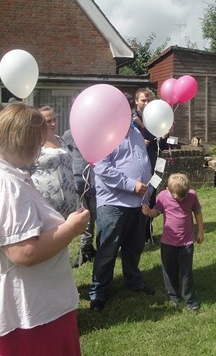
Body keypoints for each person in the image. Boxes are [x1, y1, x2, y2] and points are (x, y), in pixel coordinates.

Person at [0, 102, 90, 355]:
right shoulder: (0, 183)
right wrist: (71, 228)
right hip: (21, 322)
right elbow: (24, 252)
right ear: (21, 141)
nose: (38, 151)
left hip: (12, 312)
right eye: (36, 144)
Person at [88, 94, 154, 312]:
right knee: (107, 250)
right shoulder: (104, 135)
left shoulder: (135, 131)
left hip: (139, 203)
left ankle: (133, 282)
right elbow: (102, 168)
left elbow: (143, 162)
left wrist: (148, 187)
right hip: (114, 203)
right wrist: (130, 185)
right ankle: (99, 292)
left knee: (134, 248)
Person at [142, 173, 204, 311]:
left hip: (186, 243)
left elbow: (198, 212)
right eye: (178, 197)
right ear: (168, 189)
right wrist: (148, 211)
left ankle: (190, 301)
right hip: (168, 243)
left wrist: (200, 231)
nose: (181, 200)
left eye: (184, 197)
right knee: (169, 271)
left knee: (186, 272)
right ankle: (174, 297)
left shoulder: (192, 195)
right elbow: (156, 212)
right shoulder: (163, 196)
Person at [132, 88, 168, 243]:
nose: (146, 103)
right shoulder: (131, 120)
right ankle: (137, 232)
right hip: (137, 166)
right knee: (139, 197)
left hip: (153, 163)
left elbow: (162, 145)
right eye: (143, 100)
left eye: (148, 100)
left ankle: (147, 230)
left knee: (152, 195)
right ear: (136, 101)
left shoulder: (155, 117)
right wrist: (140, 141)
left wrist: (164, 137)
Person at [31, 106, 79, 219]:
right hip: (47, 206)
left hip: (69, 204)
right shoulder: (34, 144)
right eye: (48, 121)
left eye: (54, 119)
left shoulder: (61, 140)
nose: (53, 124)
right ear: (38, 123)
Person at [63, 129, 97, 267]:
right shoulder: (69, 135)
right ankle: (86, 248)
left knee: (96, 215)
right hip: (78, 181)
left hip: (96, 181)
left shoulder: (97, 132)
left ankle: (98, 248)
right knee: (84, 216)